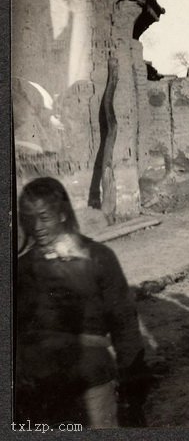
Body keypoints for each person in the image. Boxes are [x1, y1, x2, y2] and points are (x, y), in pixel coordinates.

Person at [15, 177, 149, 428]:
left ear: (63, 214)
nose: (38, 227)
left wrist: (133, 386)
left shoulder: (99, 258)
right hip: (42, 390)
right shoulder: (22, 269)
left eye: (45, 217)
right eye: (30, 219)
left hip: (92, 385)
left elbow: (124, 323)